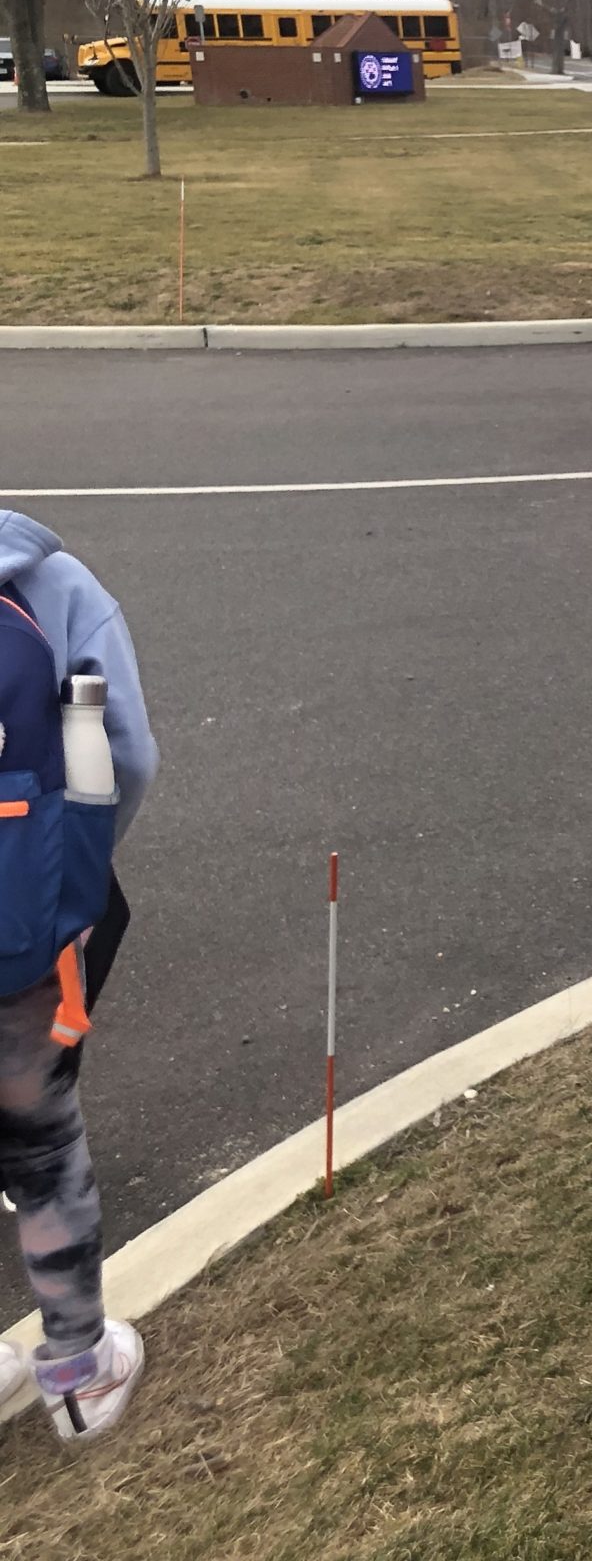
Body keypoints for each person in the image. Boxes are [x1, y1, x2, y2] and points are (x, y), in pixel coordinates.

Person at [0, 511, 156, 1443]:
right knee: (45, 1152)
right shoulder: (48, 585)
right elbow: (127, 756)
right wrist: (71, 877)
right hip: (21, 940)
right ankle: (79, 1373)